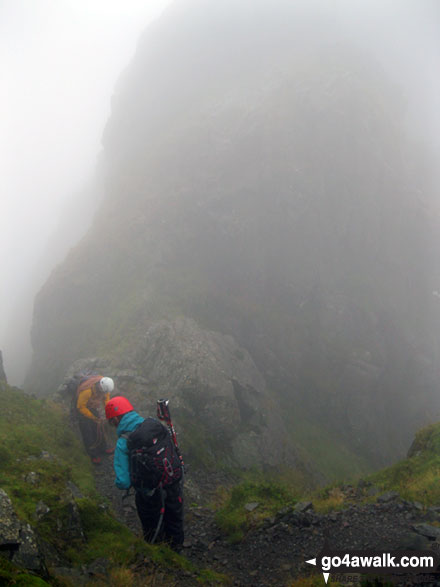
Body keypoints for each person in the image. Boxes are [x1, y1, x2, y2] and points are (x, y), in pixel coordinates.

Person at [105, 396, 184, 549]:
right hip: (171, 480)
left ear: (115, 420)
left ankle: (157, 552)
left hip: (149, 492)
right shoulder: (153, 424)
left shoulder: (124, 442)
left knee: (152, 524)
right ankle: (177, 549)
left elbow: (123, 482)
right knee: (174, 517)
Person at [76, 375, 115, 464]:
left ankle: (103, 447)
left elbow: (106, 399)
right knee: (87, 431)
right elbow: (80, 407)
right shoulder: (87, 391)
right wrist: (93, 417)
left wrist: (108, 411)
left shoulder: (104, 387)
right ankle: (93, 455)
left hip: (91, 404)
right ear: (100, 387)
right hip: (82, 406)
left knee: (99, 426)